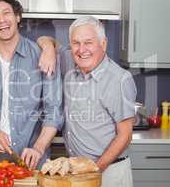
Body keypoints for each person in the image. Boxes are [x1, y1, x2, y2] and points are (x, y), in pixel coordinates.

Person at [0, 0, 63, 170]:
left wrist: (38, 148)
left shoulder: (43, 55)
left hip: (33, 158)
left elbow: (54, 112)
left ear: (17, 17)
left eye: (7, 13)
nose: (2, 20)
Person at [37, 16, 136, 187]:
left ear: (103, 44)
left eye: (88, 42)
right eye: (76, 43)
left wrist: (95, 171)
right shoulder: (70, 60)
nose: (82, 50)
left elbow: (125, 136)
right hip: (77, 172)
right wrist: (47, 49)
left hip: (109, 171)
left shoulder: (119, 79)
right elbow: (45, 39)